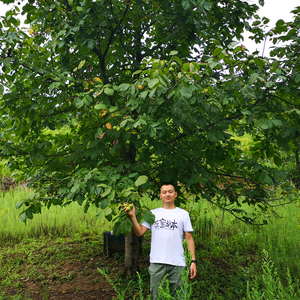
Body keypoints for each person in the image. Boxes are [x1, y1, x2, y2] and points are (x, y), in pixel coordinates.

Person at [123, 182, 197, 299]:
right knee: (156, 296)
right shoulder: (152, 214)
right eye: (164, 192)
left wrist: (193, 261)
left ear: (175, 194)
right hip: (157, 262)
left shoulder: (183, 214)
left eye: (170, 191)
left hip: (178, 263)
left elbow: (189, 239)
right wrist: (132, 216)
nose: (167, 194)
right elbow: (139, 232)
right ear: (160, 195)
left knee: (179, 296)